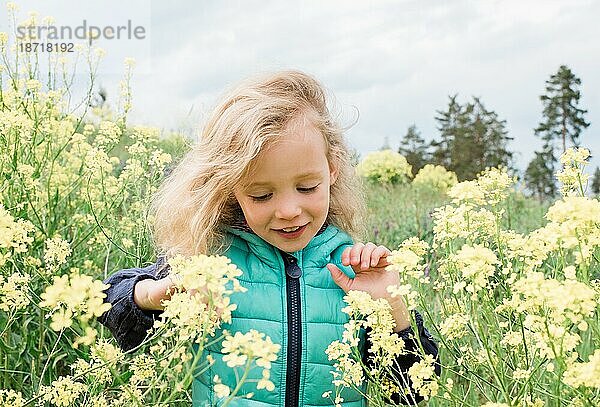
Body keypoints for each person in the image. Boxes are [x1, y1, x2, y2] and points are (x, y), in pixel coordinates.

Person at [98, 70, 440, 406]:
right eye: (262, 195)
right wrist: (154, 295)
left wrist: (392, 310)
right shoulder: (211, 258)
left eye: (307, 187)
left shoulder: (355, 270)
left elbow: (412, 394)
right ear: (230, 188)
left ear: (332, 168)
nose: (288, 210)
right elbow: (111, 301)